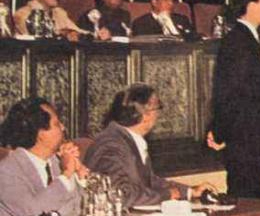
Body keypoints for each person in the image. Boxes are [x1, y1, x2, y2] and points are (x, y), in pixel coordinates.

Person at [85, 84, 213, 207]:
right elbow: (119, 195)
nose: (159, 114)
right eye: (158, 107)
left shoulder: (127, 139)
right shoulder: (111, 145)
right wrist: (168, 194)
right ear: (145, 114)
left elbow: (150, 182)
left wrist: (189, 191)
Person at [207, 0, 260, 199]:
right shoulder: (238, 42)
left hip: (253, 137)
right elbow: (229, 93)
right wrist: (220, 131)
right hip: (246, 139)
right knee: (248, 200)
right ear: (251, 6)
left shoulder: (245, 39)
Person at [0, 97, 87, 216]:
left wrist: (79, 174)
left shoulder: (58, 162)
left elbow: (81, 211)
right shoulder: (7, 170)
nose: (63, 127)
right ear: (40, 133)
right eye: (56, 124)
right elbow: (32, 215)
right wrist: (67, 174)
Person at [13, 0, 85, 41]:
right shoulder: (22, 14)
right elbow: (36, 36)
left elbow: (78, 31)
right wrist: (64, 34)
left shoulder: (59, 13)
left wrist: (74, 33)